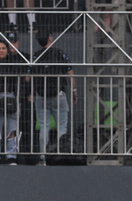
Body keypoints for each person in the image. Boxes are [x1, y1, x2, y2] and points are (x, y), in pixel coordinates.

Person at [31, 31, 74, 165]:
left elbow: (28, 77)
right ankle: (60, 155)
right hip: (58, 94)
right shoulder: (59, 53)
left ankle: (43, 157)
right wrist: (74, 90)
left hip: (41, 96)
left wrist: (33, 92)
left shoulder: (36, 55)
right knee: (62, 126)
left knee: (44, 126)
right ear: (50, 38)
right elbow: (70, 73)